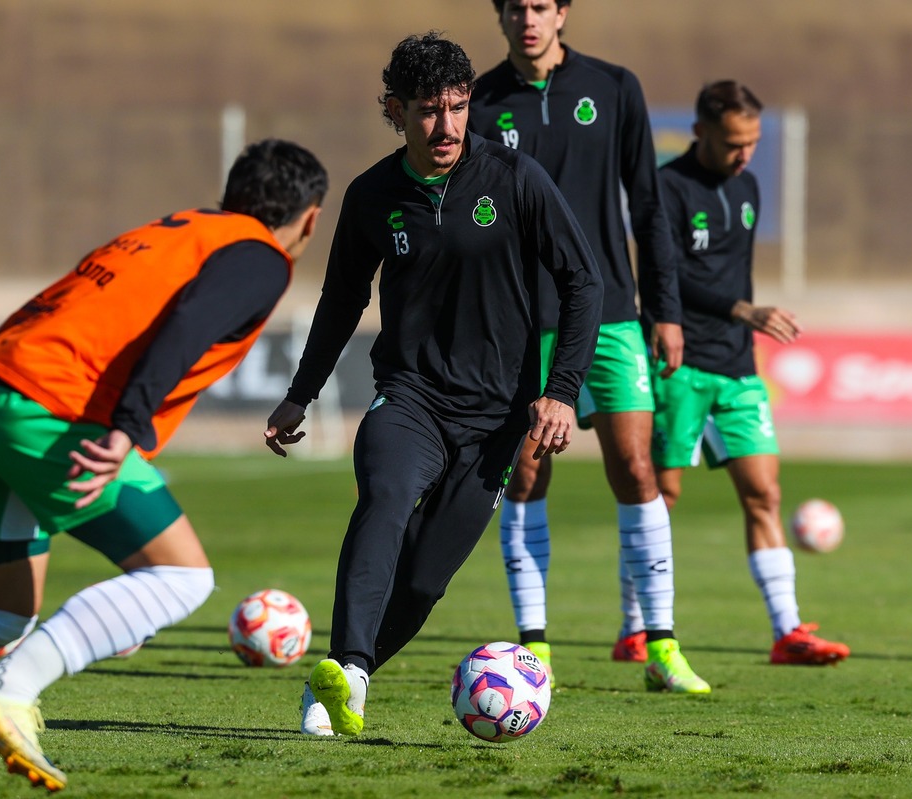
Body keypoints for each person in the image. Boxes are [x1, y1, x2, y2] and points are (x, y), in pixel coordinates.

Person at [0, 138, 329, 794]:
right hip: (53, 404)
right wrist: (129, 426)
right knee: (182, 576)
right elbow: (188, 325)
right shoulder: (260, 256)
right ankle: (8, 689)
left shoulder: (172, 230)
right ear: (310, 219)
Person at [264, 32, 603, 737]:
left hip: (497, 423)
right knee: (385, 497)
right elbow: (340, 300)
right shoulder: (371, 197)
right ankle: (348, 670)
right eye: (426, 110)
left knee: (423, 580)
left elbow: (583, 281)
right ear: (394, 109)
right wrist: (302, 391)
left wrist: (563, 389)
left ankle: (344, 678)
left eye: (456, 107)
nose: (445, 126)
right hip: (409, 397)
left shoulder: (515, 180)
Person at [469, 0, 710, 693]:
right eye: (514, 7)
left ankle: (661, 645)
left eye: (541, 5)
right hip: (522, 322)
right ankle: (535, 645)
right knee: (524, 474)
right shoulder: (481, 102)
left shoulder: (614, 87)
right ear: (500, 15)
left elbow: (648, 204)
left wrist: (664, 309)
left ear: (564, 12)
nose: (528, 18)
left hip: (609, 314)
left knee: (637, 470)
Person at [648, 80, 849, 666]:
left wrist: (743, 318)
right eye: (735, 143)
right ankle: (639, 628)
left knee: (764, 492)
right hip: (679, 363)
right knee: (661, 496)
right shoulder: (665, 189)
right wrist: (743, 311)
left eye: (754, 142)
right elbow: (666, 277)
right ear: (700, 133)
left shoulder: (750, 185)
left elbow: (732, 272)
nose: (745, 154)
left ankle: (787, 632)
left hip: (737, 366)